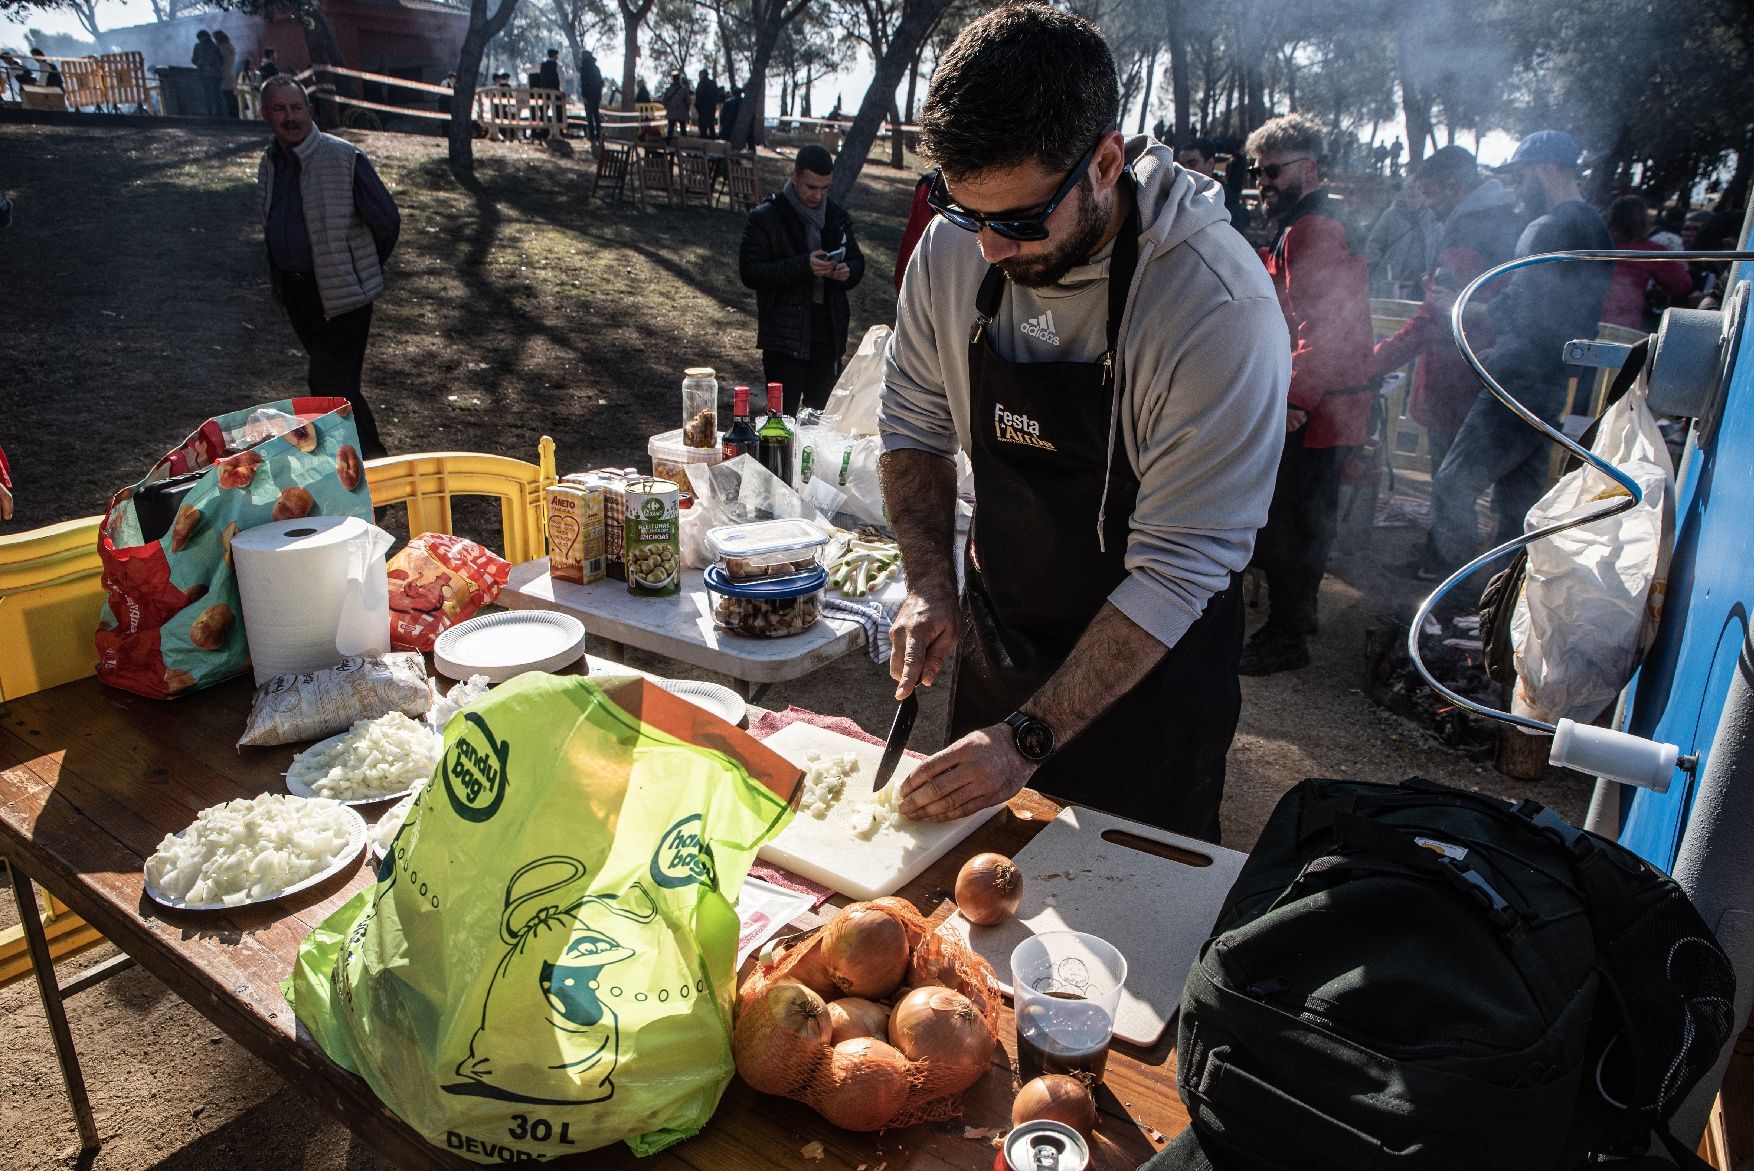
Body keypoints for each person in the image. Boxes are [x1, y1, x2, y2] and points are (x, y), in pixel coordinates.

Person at [879, 4, 1289, 839]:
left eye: (1023, 222)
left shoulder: (1214, 306)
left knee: (1124, 933)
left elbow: (1179, 569)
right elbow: (914, 423)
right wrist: (929, 581)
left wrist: (1026, 738)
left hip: (1152, 677)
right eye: (967, 214)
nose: (990, 248)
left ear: (1106, 162)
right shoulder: (959, 249)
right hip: (1005, 636)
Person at [1426, 129, 1611, 578]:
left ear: (1546, 168)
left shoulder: (1549, 228)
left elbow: (1523, 309)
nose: (1515, 185)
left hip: (1518, 379)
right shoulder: (1595, 227)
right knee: (1516, 500)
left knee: (1453, 485)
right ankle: (1500, 602)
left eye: (1521, 173)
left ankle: (1460, 594)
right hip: (1550, 384)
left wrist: (1459, 307)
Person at [1239, 113, 1374, 675]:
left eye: (1273, 170)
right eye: (1256, 171)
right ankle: (1299, 615)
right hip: (1329, 403)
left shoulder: (1313, 228)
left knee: (1293, 523)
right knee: (1301, 518)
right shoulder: (1308, 223)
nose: (1263, 180)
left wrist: (1295, 398)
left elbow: (1323, 326)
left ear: (1309, 167)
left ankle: (1288, 635)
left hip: (1321, 408)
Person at [1368, 145, 1521, 578]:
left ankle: (1446, 568)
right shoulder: (1502, 220)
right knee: (1462, 481)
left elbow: (1435, 318)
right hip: (1486, 373)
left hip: (1458, 377)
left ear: (1453, 188)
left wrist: (1375, 360)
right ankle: (1460, 564)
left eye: (1433, 194)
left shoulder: (1468, 233)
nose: (1430, 205)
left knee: (1450, 480)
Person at [256, 76, 399, 459]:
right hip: (298, 293)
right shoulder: (270, 162)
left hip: (344, 296)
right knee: (339, 387)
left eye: (297, 107)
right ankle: (370, 468)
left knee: (328, 384)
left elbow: (386, 221)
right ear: (265, 114)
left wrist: (356, 268)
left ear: (310, 111)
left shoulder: (343, 156)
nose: (290, 117)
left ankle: (372, 464)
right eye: (280, 109)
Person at [739, 144, 865, 414]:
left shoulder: (837, 216)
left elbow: (856, 260)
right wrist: (803, 266)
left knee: (820, 420)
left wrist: (847, 272)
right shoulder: (766, 217)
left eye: (825, 188)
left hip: (827, 335)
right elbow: (751, 271)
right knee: (781, 421)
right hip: (784, 338)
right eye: (811, 187)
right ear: (793, 177)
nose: (818, 195)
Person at [1602, 194, 1691, 329]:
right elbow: (1681, 284)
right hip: (1623, 325)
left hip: (1585, 318)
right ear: (1644, 219)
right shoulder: (1649, 251)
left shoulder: (1597, 241)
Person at [1365, 179, 1439, 299]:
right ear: (1404, 192)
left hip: (1422, 287)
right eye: (1410, 187)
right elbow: (1374, 245)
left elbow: (1439, 250)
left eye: (1419, 188)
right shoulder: (1390, 216)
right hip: (1391, 284)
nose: (1414, 191)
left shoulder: (1433, 219)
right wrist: (1372, 274)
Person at [1176, 137, 1247, 231]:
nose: (1185, 170)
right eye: (1182, 165)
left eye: (1192, 164)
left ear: (1209, 164)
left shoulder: (1226, 198)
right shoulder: (1176, 194)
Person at [192, 31, 223, 117]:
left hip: (203, 75)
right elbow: (221, 61)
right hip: (216, 75)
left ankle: (209, 113)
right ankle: (220, 114)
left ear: (200, 37)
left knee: (207, 95)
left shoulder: (197, 46)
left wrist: (201, 63)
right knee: (217, 95)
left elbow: (194, 60)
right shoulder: (215, 46)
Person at [579, 49, 603, 140]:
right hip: (596, 96)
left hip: (588, 95)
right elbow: (600, 83)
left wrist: (584, 95)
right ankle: (598, 134)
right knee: (596, 115)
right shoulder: (596, 68)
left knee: (589, 115)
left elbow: (584, 83)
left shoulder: (584, 69)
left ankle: (592, 135)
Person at [215, 30, 239, 118]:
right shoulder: (231, 47)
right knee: (233, 96)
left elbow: (219, 62)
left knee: (226, 96)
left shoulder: (219, 48)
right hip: (231, 72)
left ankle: (230, 116)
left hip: (223, 74)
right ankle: (236, 115)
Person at [661, 70, 690, 139]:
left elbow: (664, 101)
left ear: (673, 79)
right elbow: (688, 101)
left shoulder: (668, 90)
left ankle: (669, 143)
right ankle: (684, 144)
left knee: (670, 130)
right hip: (681, 112)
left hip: (671, 112)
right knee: (683, 130)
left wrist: (668, 108)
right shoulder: (683, 90)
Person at [694, 69, 720, 139]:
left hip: (703, 109)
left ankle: (703, 142)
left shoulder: (700, 84)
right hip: (711, 108)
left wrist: (698, 106)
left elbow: (698, 97)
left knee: (703, 127)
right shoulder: (712, 83)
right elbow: (717, 95)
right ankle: (713, 140)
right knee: (711, 125)